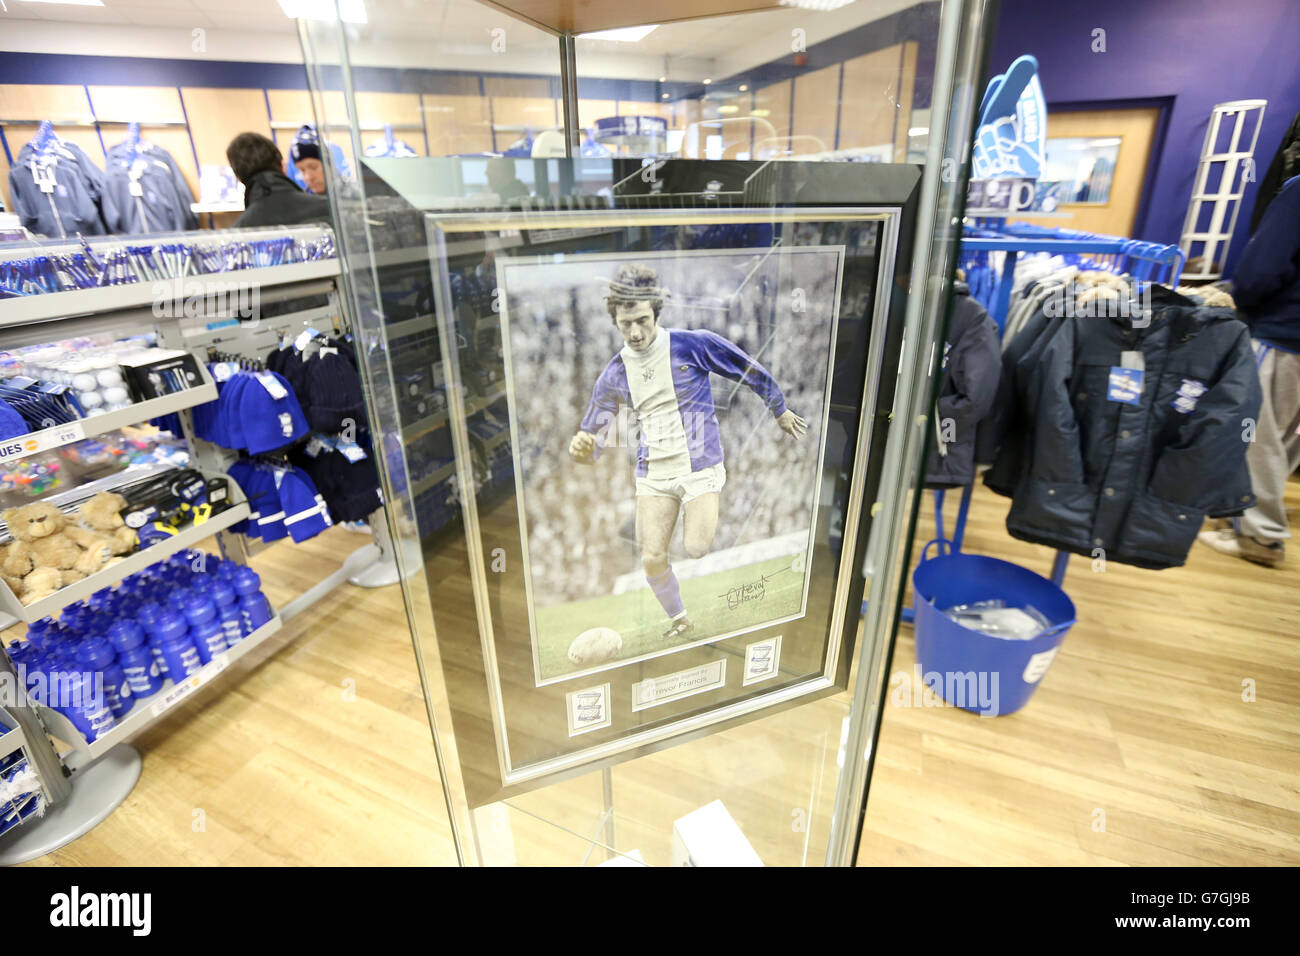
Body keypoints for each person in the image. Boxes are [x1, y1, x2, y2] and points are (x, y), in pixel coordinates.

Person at [568, 263, 808, 640]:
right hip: (653, 474)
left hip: (698, 465)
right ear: (615, 321)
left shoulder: (692, 344)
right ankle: (680, 619)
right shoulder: (614, 373)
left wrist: (778, 409)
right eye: (625, 323)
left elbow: (746, 368)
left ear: (655, 313)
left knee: (695, 548)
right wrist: (582, 447)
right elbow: (592, 443)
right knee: (651, 557)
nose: (635, 332)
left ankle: (706, 502)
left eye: (642, 320)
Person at [1198, 174, 1300, 566]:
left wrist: (1240, 297)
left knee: (1257, 435)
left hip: (1284, 333)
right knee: (1285, 436)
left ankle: (1262, 536)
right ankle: (1245, 516)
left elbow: (1264, 266)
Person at [225, 132, 330, 228]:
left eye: (313, 167)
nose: (308, 177)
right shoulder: (332, 211)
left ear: (238, 178)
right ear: (283, 166)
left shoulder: (240, 231)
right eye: (302, 170)